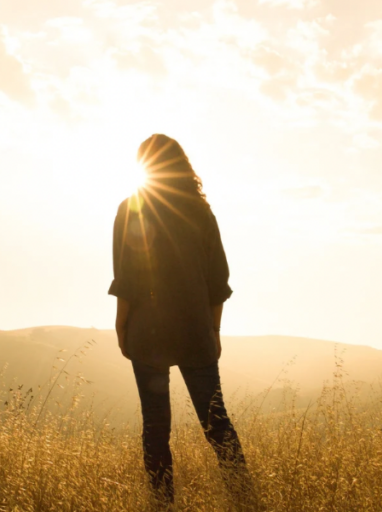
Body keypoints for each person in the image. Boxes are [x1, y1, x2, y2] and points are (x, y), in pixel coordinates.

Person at [109, 134, 256, 508]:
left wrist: (121, 327)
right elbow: (217, 281)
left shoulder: (131, 208)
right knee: (217, 424)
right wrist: (214, 330)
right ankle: (245, 499)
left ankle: (163, 504)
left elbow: (127, 276)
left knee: (156, 428)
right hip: (195, 331)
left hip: (148, 333)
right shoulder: (201, 213)